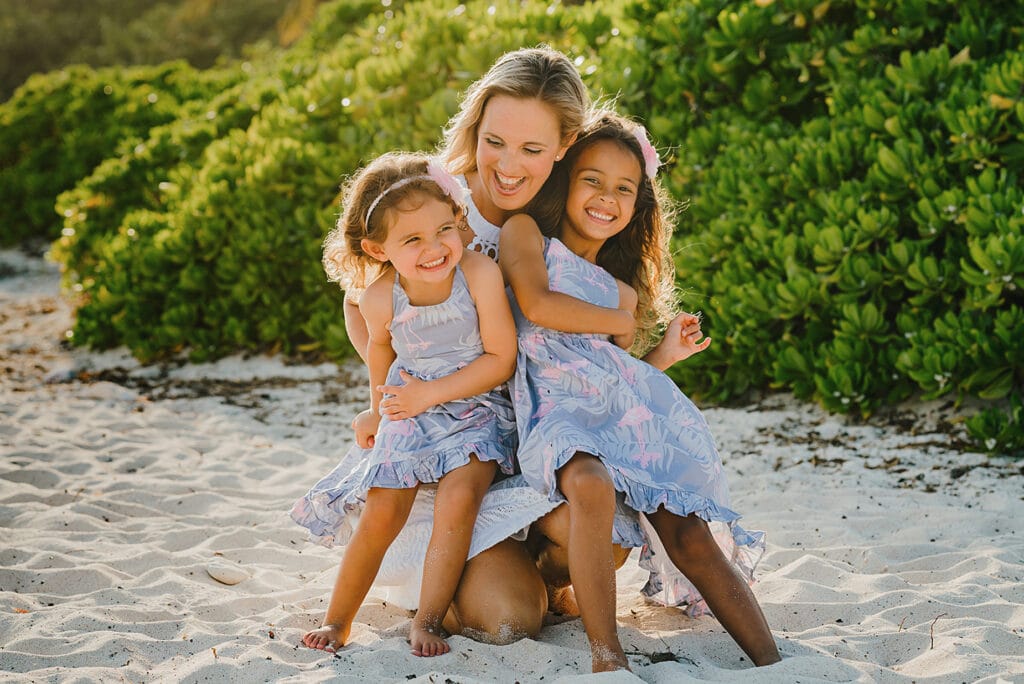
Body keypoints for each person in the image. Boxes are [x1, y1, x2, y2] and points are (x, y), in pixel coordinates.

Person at [498, 110, 781, 672]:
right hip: (551, 411)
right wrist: (618, 318)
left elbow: (612, 375)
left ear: (638, 205)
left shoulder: (621, 293)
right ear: (565, 179)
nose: (606, 198)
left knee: (686, 528)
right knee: (590, 483)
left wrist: (661, 357)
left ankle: (774, 662)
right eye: (592, 180)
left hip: (616, 413)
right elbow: (535, 306)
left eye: (624, 189)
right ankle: (608, 659)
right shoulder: (526, 235)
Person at [290, 151, 518, 657]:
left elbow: (501, 360)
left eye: (444, 230)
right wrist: (377, 407)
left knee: (459, 499)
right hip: (410, 406)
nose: (435, 249)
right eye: (412, 240)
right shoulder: (380, 298)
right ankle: (337, 621)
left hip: (477, 406)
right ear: (378, 248)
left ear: (459, 220)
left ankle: (429, 619)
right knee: (382, 509)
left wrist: (429, 396)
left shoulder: (478, 275)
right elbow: (382, 350)